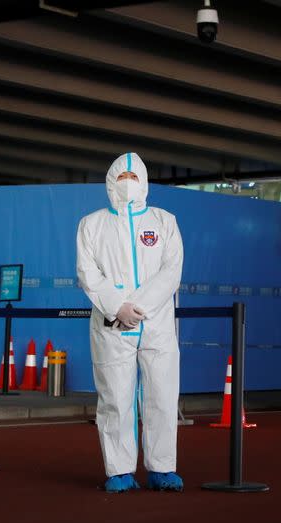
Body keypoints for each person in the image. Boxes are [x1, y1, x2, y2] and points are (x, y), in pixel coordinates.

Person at [76, 152, 184, 493]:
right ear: (110, 182)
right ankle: (119, 470)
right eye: (121, 178)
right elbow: (87, 273)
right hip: (112, 325)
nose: (127, 184)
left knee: (163, 396)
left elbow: (172, 271)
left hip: (157, 324)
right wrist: (115, 306)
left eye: (133, 177)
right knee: (115, 398)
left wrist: (136, 306)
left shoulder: (164, 221)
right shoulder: (92, 224)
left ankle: (162, 467)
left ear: (144, 182)